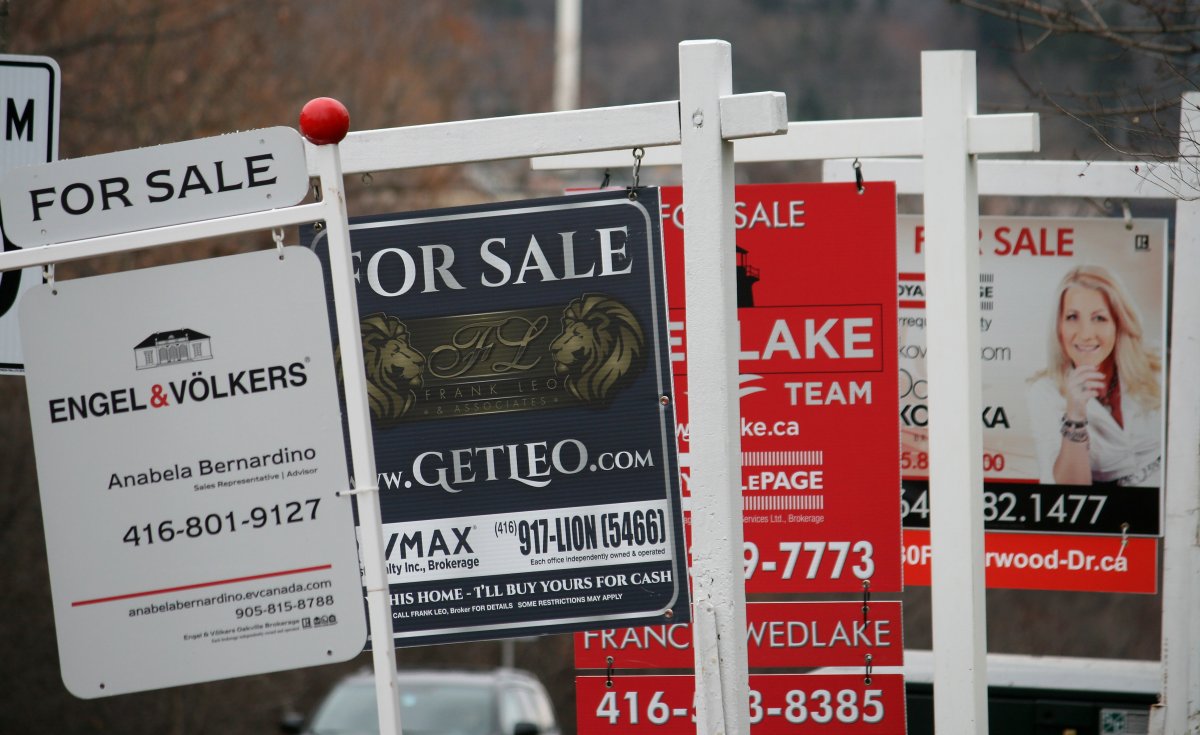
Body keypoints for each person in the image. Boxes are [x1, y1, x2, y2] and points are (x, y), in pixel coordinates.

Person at [1027, 264, 1162, 486]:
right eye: (1072, 317)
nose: (1086, 334)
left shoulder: (1158, 367)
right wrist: (1075, 414)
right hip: (1105, 513)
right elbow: (1069, 492)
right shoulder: (1044, 392)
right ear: (1059, 326)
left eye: (1099, 318)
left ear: (1118, 322)